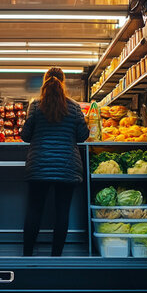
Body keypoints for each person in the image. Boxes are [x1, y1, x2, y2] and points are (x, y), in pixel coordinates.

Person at [20, 67, 90, 256]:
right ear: (63, 82)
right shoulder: (75, 107)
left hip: (39, 166)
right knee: (62, 213)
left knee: (34, 211)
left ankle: (27, 254)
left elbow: (25, 136)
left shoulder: (35, 106)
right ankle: (56, 256)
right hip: (67, 167)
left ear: (45, 82)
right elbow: (82, 136)